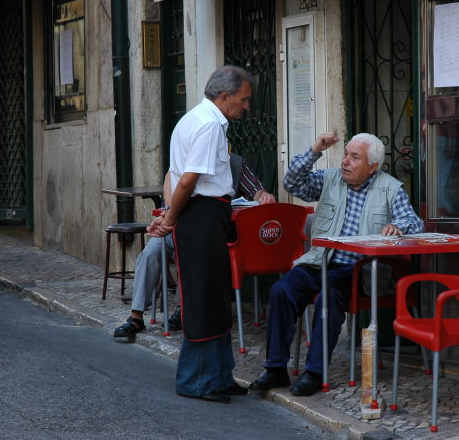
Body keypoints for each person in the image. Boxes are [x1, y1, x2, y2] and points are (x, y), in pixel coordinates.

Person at [248, 132, 424, 397]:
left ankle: (315, 373)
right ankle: (275, 369)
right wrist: (315, 148)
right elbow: (292, 183)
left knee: (328, 299)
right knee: (281, 291)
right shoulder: (330, 179)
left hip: (356, 270)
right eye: (346, 154)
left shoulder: (390, 188)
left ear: (373, 165)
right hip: (318, 261)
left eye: (355, 157)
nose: (346, 162)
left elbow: (415, 223)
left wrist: (398, 225)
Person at [148, 65, 255, 404]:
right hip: (202, 216)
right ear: (224, 96)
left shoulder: (194, 118)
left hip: (204, 215)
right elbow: (187, 179)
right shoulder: (209, 125)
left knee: (214, 297)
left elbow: (175, 173)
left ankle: (220, 375)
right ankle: (197, 381)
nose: (246, 106)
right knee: (203, 298)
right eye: (243, 99)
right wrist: (170, 217)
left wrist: (169, 214)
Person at [113, 156, 274, 340]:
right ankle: (136, 316)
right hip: (175, 224)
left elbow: (256, 189)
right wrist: (170, 211)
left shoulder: (234, 163)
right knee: (150, 252)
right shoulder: (185, 161)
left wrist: (262, 195)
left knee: (193, 250)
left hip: (211, 232)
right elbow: (170, 190)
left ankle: (183, 310)